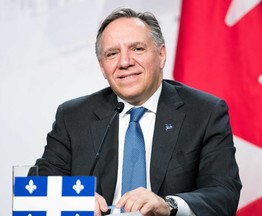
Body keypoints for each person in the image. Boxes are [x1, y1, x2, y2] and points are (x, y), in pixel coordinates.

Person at [32, 7, 242, 216]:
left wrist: (168, 205)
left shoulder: (204, 112)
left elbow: (223, 194)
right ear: (103, 67)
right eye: (112, 54)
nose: (125, 62)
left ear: (161, 55)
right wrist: (72, 198)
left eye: (137, 49)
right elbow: (37, 185)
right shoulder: (74, 116)